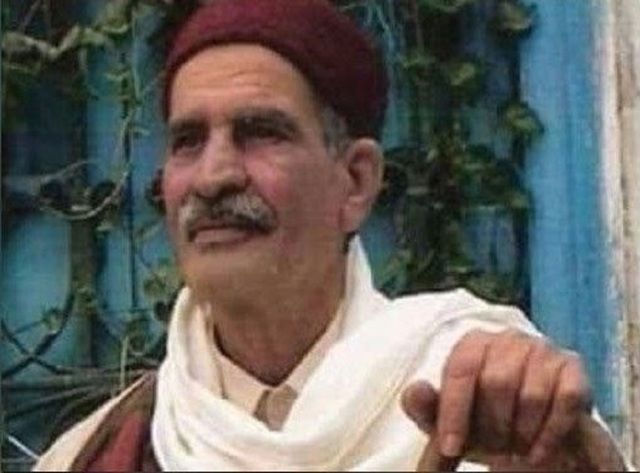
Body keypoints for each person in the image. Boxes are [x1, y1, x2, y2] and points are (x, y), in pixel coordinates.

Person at [34, 0, 627, 470]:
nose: (213, 177)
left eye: (260, 132)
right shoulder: (98, 452)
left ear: (356, 181)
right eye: (188, 141)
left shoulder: (491, 403)